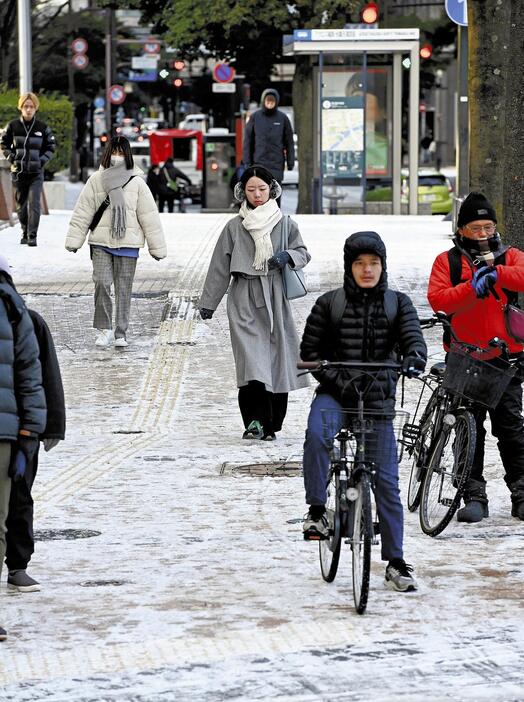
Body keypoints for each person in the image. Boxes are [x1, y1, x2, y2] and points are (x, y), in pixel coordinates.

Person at [300, 231, 426, 592]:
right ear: (349, 267)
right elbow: (310, 354)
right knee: (317, 433)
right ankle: (316, 511)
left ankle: (396, 561)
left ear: (382, 266)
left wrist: (415, 359)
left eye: (374, 263)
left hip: (377, 400)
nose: (367, 270)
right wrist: (338, 379)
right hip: (336, 395)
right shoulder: (329, 304)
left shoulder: (398, 304)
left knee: (386, 482)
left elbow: (413, 339)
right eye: (359, 263)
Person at [428, 192, 524, 523]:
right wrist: (472, 288)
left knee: (511, 427)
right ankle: (472, 494)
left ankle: (521, 492)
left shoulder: (510, 256)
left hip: (506, 354)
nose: (483, 233)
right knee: (469, 431)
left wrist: (498, 274)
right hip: (464, 355)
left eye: (488, 226)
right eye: (476, 227)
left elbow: (523, 275)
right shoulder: (448, 261)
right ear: (463, 229)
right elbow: (439, 300)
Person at [199, 164, 310, 440]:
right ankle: (254, 422)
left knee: (277, 359)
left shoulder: (285, 224)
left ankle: (272, 422)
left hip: (275, 296)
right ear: (242, 192)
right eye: (251, 190)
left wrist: (287, 256)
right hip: (244, 298)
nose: (257, 195)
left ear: (272, 189)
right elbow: (219, 266)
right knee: (251, 361)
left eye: (262, 189)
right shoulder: (234, 227)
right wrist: (208, 302)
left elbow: (303, 253)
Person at [65, 136, 167, 348]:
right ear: (107, 153)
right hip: (100, 242)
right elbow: (83, 211)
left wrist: (157, 247)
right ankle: (105, 329)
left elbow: (149, 216)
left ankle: (121, 332)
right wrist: (75, 240)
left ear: (128, 155)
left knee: (123, 288)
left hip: (128, 245)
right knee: (101, 282)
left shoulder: (137, 182)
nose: (117, 157)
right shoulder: (96, 180)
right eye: (114, 152)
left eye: (121, 153)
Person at [0, 254, 46, 640]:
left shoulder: (16, 311)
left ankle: (17, 563)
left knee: (12, 506)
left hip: (6, 431)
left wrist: (36, 429)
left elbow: (35, 373)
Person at [5, 303, 65, 593]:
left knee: (19, 496)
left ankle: (18, 565)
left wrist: (52, 425)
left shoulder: (28, 320)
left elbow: (46, 375)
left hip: (21, 428)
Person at [0, 92, 56, 247]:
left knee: (34, 202)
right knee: (21, 205)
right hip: (18, 172)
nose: (28, 109)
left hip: (36, 173)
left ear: (36, 108)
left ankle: (33, 235)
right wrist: (12, 158)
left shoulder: (42, 127)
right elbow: (3, 143)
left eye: (31, 106)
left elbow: (51, 147)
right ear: (21, 108)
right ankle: (24, 231)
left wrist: (41, 161)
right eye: (26, 106)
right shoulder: (12, 126)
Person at [242, 90, 295, 189]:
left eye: (272, 102)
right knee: (260, 191)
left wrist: (290, 162)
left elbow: (289, 142)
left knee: (275, 193)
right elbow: (248, 141)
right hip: (259, 162)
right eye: (268, 102)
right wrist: (246, 161)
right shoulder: (255, 117)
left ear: (276, 102)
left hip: (277, 163)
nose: (270, 104)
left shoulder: (283, 118)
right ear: (263, 101)